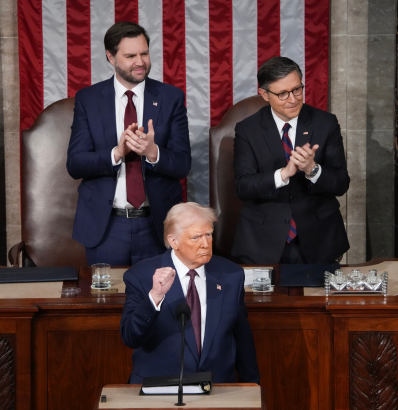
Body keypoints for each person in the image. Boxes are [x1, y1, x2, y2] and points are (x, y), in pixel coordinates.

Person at [67, 22, 191, 266]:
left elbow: (183, 164)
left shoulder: (170, 97)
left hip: (157, 225)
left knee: (160, 301)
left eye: (144, 53)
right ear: (111, 57)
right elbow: (75, 164)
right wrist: (117, 152)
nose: (140, 61)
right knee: (106, 302)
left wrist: (153, 152)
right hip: (106, 227)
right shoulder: (88, 100)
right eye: (130, 55)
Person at [120, 202, 260, 384]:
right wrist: (154, 296)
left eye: (208, 235)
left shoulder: (231, 274)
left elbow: (242, 337)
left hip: (217, 387)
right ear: (173, 241)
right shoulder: (141, 276)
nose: (205, 244)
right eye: (196, 238)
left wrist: (251, 386)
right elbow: (131, 337)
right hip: (159, 387)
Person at [233, 56, 350, 264]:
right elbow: (243, 186)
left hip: (319, 239)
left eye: (297, 89)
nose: (293, 99)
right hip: (263, 241)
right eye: (283, 94)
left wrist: (312, 169)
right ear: (265, 95)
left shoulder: (326, 123)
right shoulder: (247, 130)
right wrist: (283, 174)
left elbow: (341, 183)